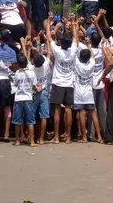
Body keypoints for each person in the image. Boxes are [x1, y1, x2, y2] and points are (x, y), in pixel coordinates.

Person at [46, 13, 77, 144]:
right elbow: (75, 37)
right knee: (68, 109)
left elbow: (48, 37)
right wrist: (73, 22)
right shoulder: (73, 50)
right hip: (69, 83)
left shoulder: (58, 51)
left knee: (57, 110)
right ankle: (69, 137)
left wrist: (49, 23)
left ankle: (57, 137)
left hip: (58, 83)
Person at [74, 45, 102, 143]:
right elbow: (93, 57)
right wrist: (89, 46)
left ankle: (84, 137)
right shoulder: (91, 64)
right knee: (94, 114)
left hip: (79, 93)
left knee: (82, 114)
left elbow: (73, 53)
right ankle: (99, 136)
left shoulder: (77, 64)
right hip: (89, 93)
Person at [12, 53, 37, 147]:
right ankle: (32, 141)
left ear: (18, 64)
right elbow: (34, 86)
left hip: (18, 98)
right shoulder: (31, 73)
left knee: (17, 120)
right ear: (27, 63)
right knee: (30, 120)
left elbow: (15, 85)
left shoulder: (17, 74)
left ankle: (17, 140)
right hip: (28, 98)